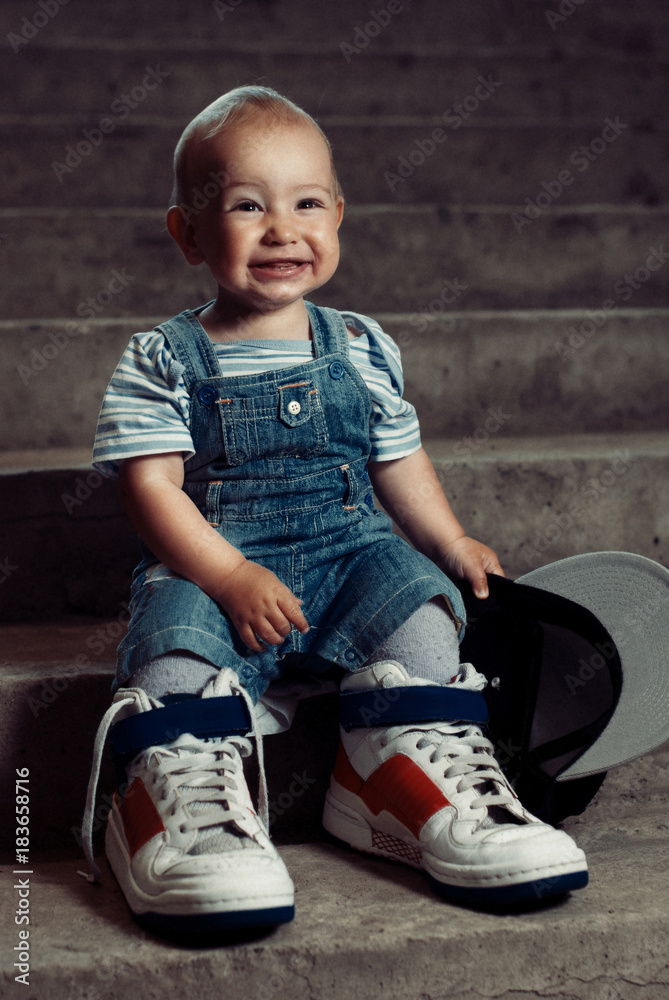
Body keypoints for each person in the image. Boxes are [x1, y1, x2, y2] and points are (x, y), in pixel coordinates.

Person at [81, 85, 588, 934]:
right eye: (247, 206)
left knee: (422, 603)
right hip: (219, 558)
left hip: (347, 550)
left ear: (339, 216)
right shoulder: (162, 359)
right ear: (188, 233)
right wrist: (229, 575)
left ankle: (389, 777)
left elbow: (397, 460)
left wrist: (450, 538)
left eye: (306, 203)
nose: (282, 228)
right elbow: (151, 489)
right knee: (172, 644)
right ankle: (177, 806)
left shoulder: (360, 345)